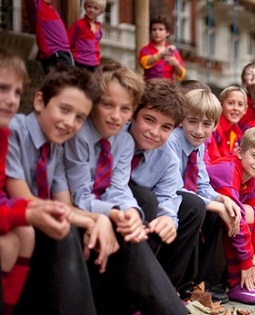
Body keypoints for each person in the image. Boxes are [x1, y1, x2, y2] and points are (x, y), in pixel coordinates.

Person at [64, 61, 188, 314]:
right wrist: (112, 213)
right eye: (108, 105)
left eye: (124, 109)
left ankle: (145, 302)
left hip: (100, 207)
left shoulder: (121, 142)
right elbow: (79, 195)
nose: (116, 116)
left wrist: (130, 211)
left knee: (141, 216)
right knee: (141, 205)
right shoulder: (78, 136)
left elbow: (118, 188)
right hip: (71, 208)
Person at [5, 63, 102, 314]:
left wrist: (98, 220)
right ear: (39, 101)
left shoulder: (56, 146)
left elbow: (63, 203)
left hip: (34, 221)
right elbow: (25, 199)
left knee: (88, 228)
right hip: (20, 218)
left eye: (79, 117)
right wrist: (91, 221)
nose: (70, 122)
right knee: (66, 229)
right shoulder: (13, 131)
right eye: (64, 110)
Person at [127, 79, 206, 289]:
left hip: (144, 221)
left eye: (165, 127)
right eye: (149, 120)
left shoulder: (167, 158)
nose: (154, 131)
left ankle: (165, 287)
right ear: (134, 113)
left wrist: (169, 221)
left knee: (192, 206)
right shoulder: (115, 138)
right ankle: (134, 291)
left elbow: (168, 196)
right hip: (110, 209)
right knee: (146, 198)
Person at [165, 88, 242, 302]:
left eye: (207, 124)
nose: (199, 130)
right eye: (193, 122)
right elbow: (175, 189)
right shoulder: (172, 141)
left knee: (218, 209)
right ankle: (175, 283)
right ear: (182, 120)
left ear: (215, 125)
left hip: (184, 200)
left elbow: (202, 184)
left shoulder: (197, 145)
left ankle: (207, 281)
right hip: (166, 202)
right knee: (196, 206)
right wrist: (213, 205)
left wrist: (222, 199)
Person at [207, 127, 255, 304]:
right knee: (245, 213)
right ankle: (236, 283)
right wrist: (246, 264)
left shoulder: (252, 179)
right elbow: (236, 217)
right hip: (203, 220)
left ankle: (247, 278)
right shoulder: (230, 169)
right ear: (239, 152)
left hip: (222, 221)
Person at [25, 0, 74, 73]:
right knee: (65, 81)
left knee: (68, 80)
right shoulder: (39, 6)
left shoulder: (51, 9)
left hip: (63, 52)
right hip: (55, 53)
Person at [205, 86, 248, 163]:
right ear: (221, 105)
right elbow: (213, 161)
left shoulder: (237, 133)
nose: (235, 108)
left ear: (245, 110)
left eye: (240, 104)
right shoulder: (214, 128)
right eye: (231, 103)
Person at [139, 15, 186, 81]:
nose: (157, 32)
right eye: (154, 29)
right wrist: (161, 55)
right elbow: (144, 63)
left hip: (168, 88)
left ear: (167, 32)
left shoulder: (173, 51)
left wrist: (176, 64)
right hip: (150, 87)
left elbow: (181, 74)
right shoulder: (145, 50)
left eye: (160, 29)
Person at [67, 0, 106, 71]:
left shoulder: (99, 30)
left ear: (100, 11)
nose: (91, 10)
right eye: (89, 6)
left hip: (94, 64)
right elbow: (67, 43)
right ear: (85, 7)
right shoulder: (78, 25)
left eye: (95, 8)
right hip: (79, 63)